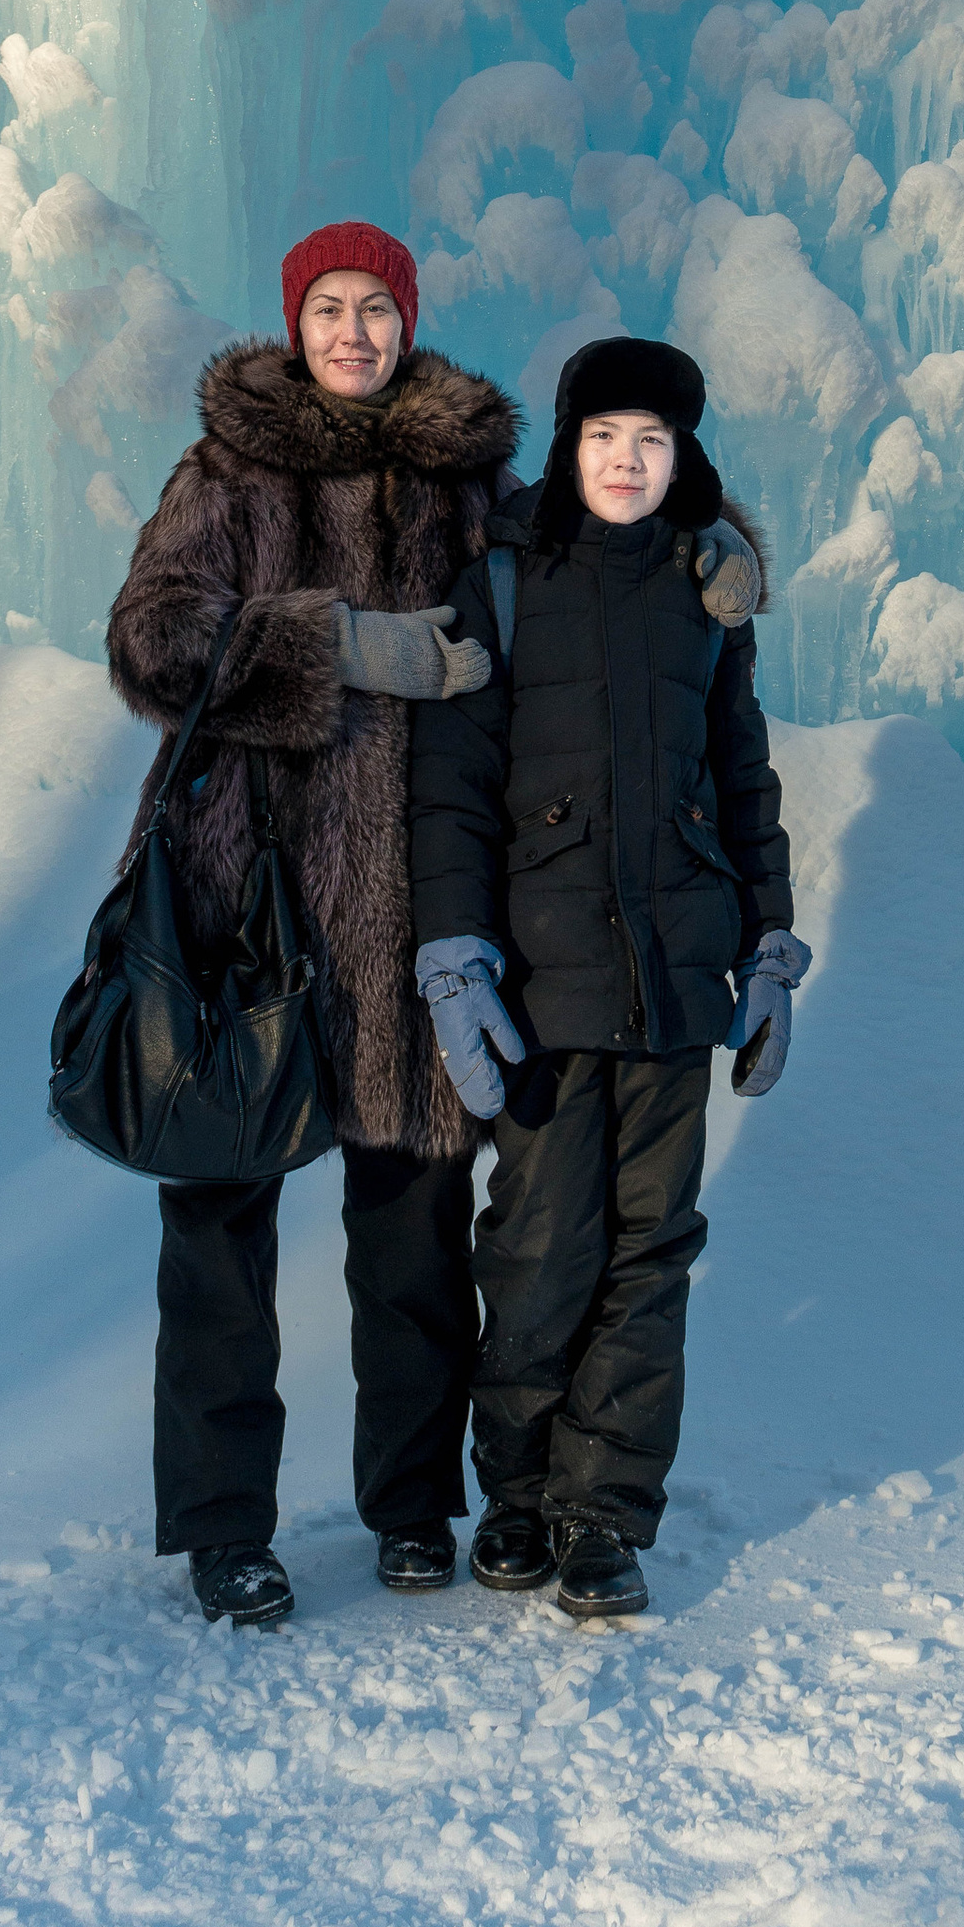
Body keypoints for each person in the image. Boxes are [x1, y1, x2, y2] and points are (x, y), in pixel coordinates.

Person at [104, 221, 516, 1629]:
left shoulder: (465, 483)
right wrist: (332, 641)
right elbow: (150, 639)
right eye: (328, 308)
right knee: (218, 1243)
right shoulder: (227, 469)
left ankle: (410, 1508)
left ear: (407, 322)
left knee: (415, 1246)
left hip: (416, 917)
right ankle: (227, 1529)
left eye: (374, 309)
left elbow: (579, 588)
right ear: (295, 323)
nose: (352, 332)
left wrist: (707, 547)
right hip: (246, 917)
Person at [406, 337, 808, 1625]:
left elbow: (740, 781)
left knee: (652, 1255)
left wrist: (770, 947)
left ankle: (601, 1517)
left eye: (653, 441)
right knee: (536, 1249)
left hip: (678, 982)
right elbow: (452, 791)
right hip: (541, 984)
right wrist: (457, 958)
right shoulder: (505, 582)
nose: (627, 462)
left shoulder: (707, 594)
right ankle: (518, 1494)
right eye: (603, 438)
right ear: (567, 447)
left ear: (684, 455)